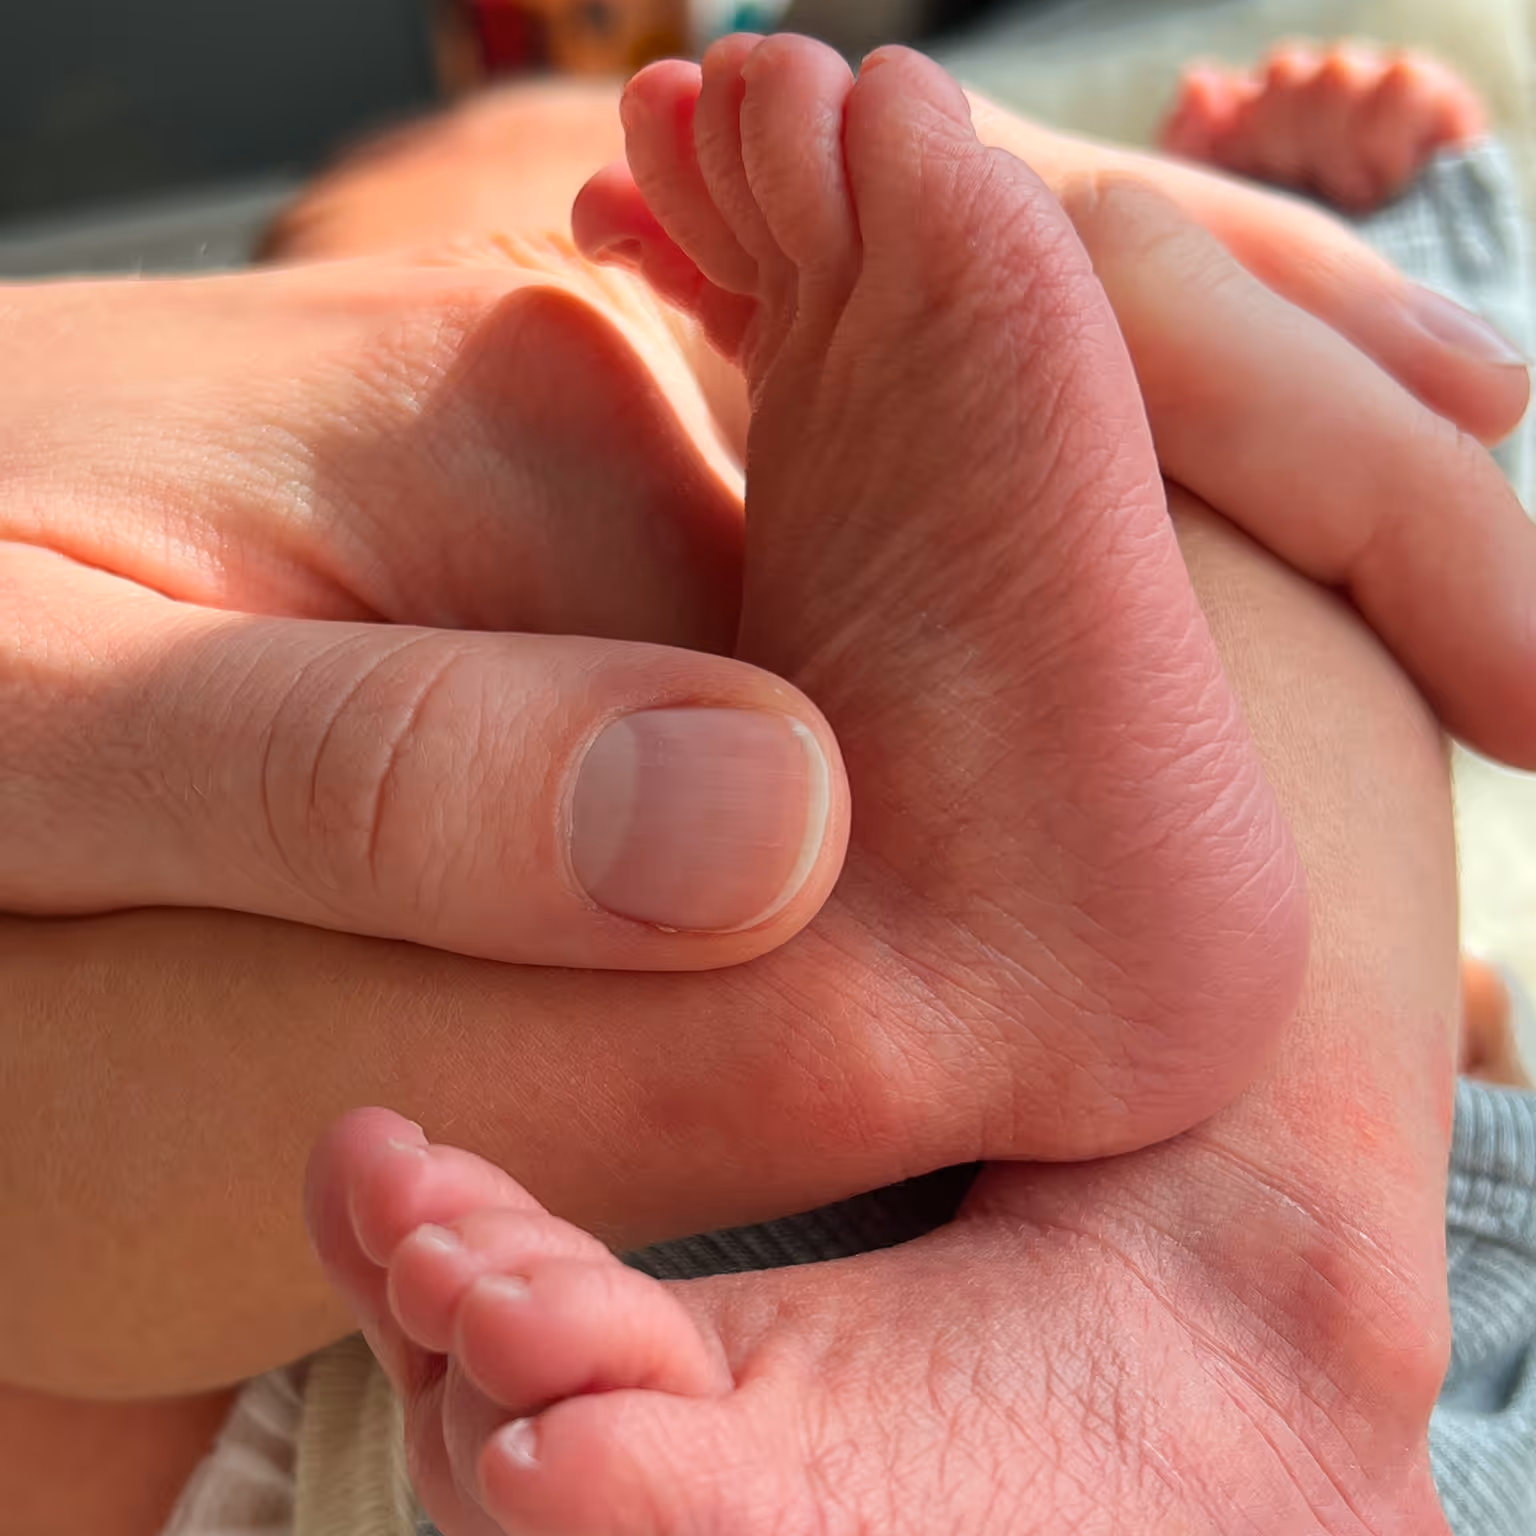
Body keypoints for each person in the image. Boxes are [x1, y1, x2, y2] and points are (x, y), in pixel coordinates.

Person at [0, 33, 1530, 1536]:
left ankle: (1058, 1116)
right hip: (707, 1376)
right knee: (1219, 454)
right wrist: (1363, 234)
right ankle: (1241, 1244)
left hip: (533, 1367)